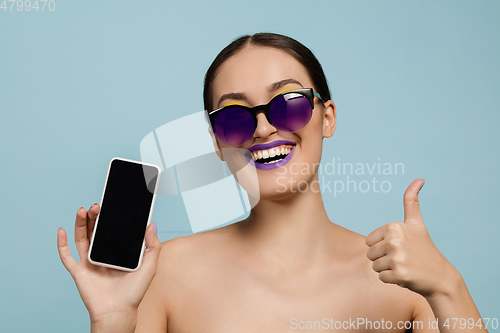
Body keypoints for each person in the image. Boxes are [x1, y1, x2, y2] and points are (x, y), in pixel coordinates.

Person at [57, 33, 488, 332]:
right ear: (217, 141)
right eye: (233, 116)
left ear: (328, 116)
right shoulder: (163, 273)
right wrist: (112, 320)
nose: (263, 129)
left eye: (289, 104)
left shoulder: (404, 280)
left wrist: (449, 285)